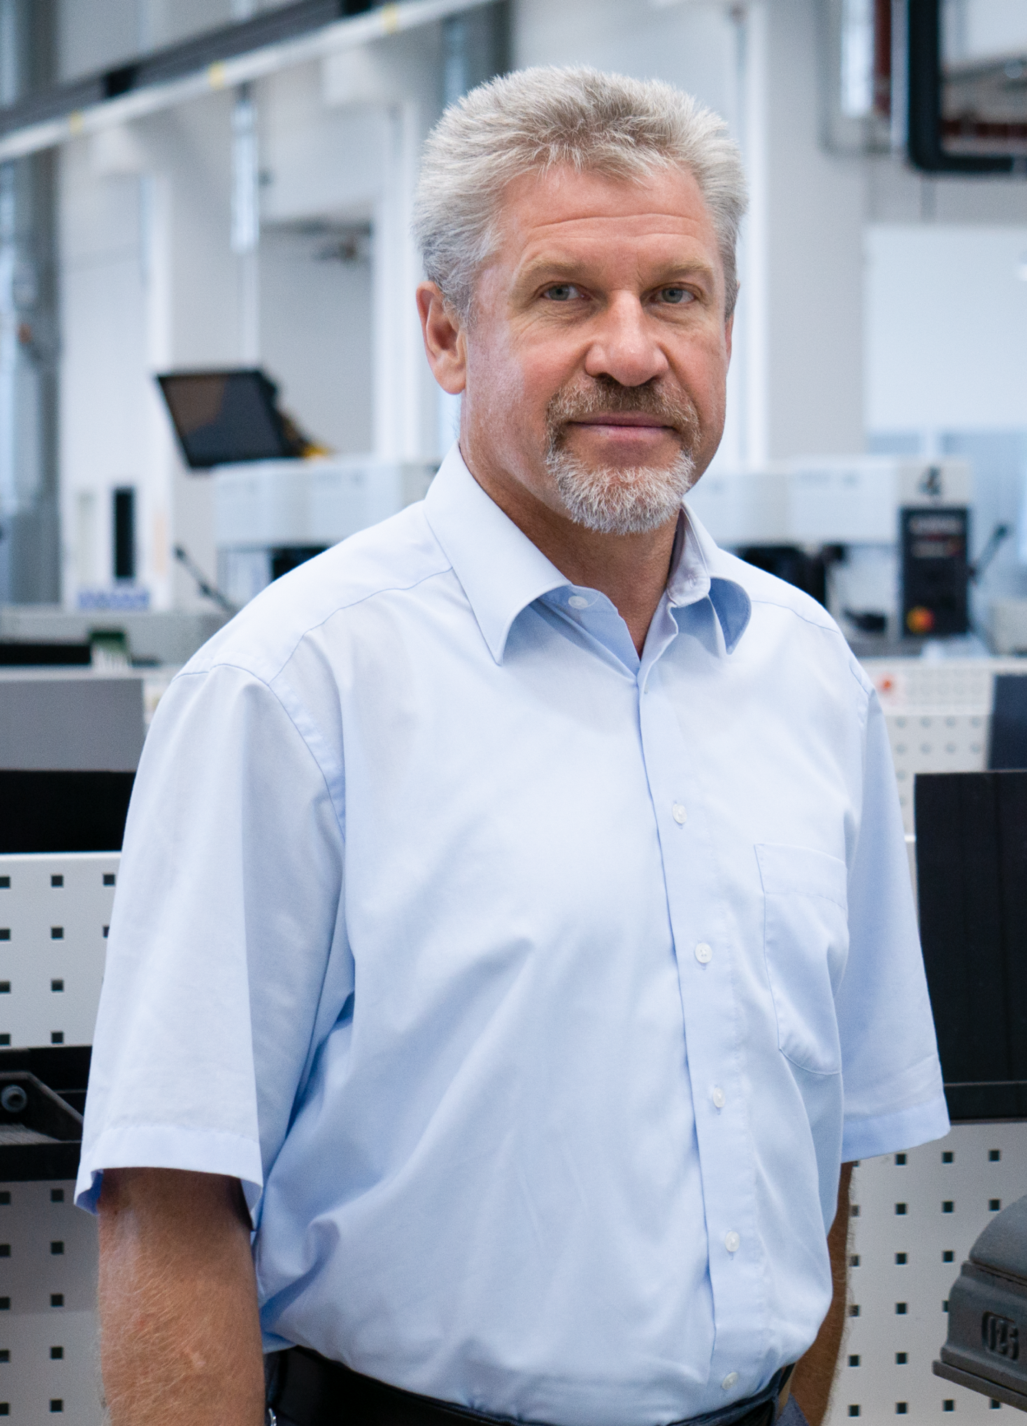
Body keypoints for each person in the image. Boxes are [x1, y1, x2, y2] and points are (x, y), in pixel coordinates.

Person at [80, 67, 948, 1426]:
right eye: (564, 295)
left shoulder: (810, 678)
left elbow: (818, 1153)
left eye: (677, 294)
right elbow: (170, 1198)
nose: (632, 348)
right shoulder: (293, 688)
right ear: (444, 333)